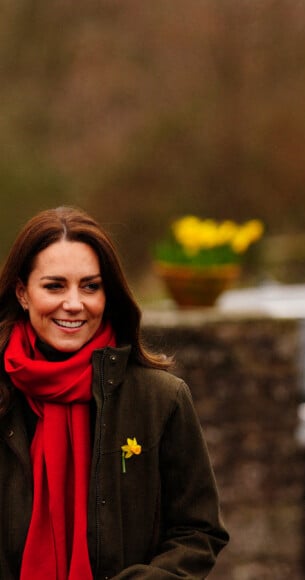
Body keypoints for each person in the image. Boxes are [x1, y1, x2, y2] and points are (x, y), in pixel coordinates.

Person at [0, 207, 229, 579]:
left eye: (90, 286)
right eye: (54, 285)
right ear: (23, 293)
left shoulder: (162, 399)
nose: (74, 303)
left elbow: (199, 531)